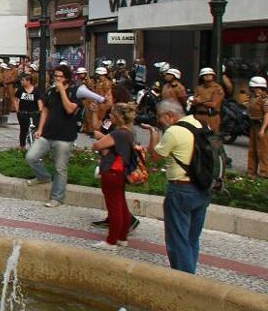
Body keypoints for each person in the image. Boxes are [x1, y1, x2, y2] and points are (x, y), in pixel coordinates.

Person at [141, 99, 210, 274]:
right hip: (203, 189)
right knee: (192, 239)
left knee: (178, 240)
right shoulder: (201, 124)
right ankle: (190, 273)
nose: (159, 121)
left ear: (169, 116)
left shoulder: (174, 131)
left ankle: (184, 284)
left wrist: (154, 134)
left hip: (181, 190)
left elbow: (156, 157)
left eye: (160, 118)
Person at [25, 64, 78, 208]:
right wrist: (40, 129)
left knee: (60, 168)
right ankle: (43, 177)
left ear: (67, 78)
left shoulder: (74, 92)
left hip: (64, 137)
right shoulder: (50, 92)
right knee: (31, 157)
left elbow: (69, 109)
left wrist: (62, 91)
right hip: (47, 134)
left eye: (60, 76)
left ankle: (57, 198)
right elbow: (45, 111)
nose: (57, 79)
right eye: (55, 76)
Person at [91, 103, 137, 250]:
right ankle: (122, 237)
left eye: (112, 114)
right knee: (121, 205)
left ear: (117, 116)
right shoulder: (129, 132)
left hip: (111, 171)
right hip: (121, 172)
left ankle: (111, 241)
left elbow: (97, 146)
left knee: (114, 207)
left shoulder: (117, 133)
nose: (110, 116)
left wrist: (100, 138)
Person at [246, 76, 268, 178]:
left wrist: (263, 129)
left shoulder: (264, 99)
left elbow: (267, 115)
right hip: (254, 126)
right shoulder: (253, 98)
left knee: (262, 150)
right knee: (252, 150)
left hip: (261, 126)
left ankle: (264, 172)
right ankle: (251, 172)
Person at [191, 68, 225, 133]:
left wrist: (200, 102)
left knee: (211, 138)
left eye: (209, 74)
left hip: (211, 117)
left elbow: (214, 104)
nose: (207, 76)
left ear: (213, 76)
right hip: (198, 116)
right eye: (205, 75)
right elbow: (194, 101)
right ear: (202, 77)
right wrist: (195, 101)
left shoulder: (217, 88)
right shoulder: (199, 88)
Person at [13, 74, 40, 149]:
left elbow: (39, 100)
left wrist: (40, 111)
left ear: (28, 81)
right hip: (23, 112)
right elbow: (15, 99)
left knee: (35, 128)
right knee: (23, 129)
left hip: (33, 112)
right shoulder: (20, 90)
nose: (21, 82)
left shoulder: (36, 90)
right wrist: (17, 110)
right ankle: (22, 145)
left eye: (23, 80)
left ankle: (35, 144)